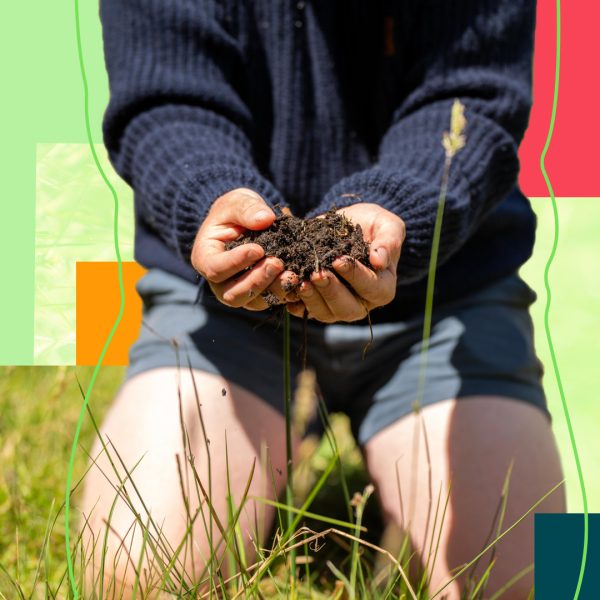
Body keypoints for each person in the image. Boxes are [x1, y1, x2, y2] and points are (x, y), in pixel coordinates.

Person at [81, 0, 565, 597]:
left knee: (539, 582)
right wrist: (215, 197)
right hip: (226, 300)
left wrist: (396, 211)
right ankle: (270, 451)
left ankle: (398, 486)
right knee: (136, 575)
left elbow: (475, 100)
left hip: (442, 294)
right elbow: (164, 99)